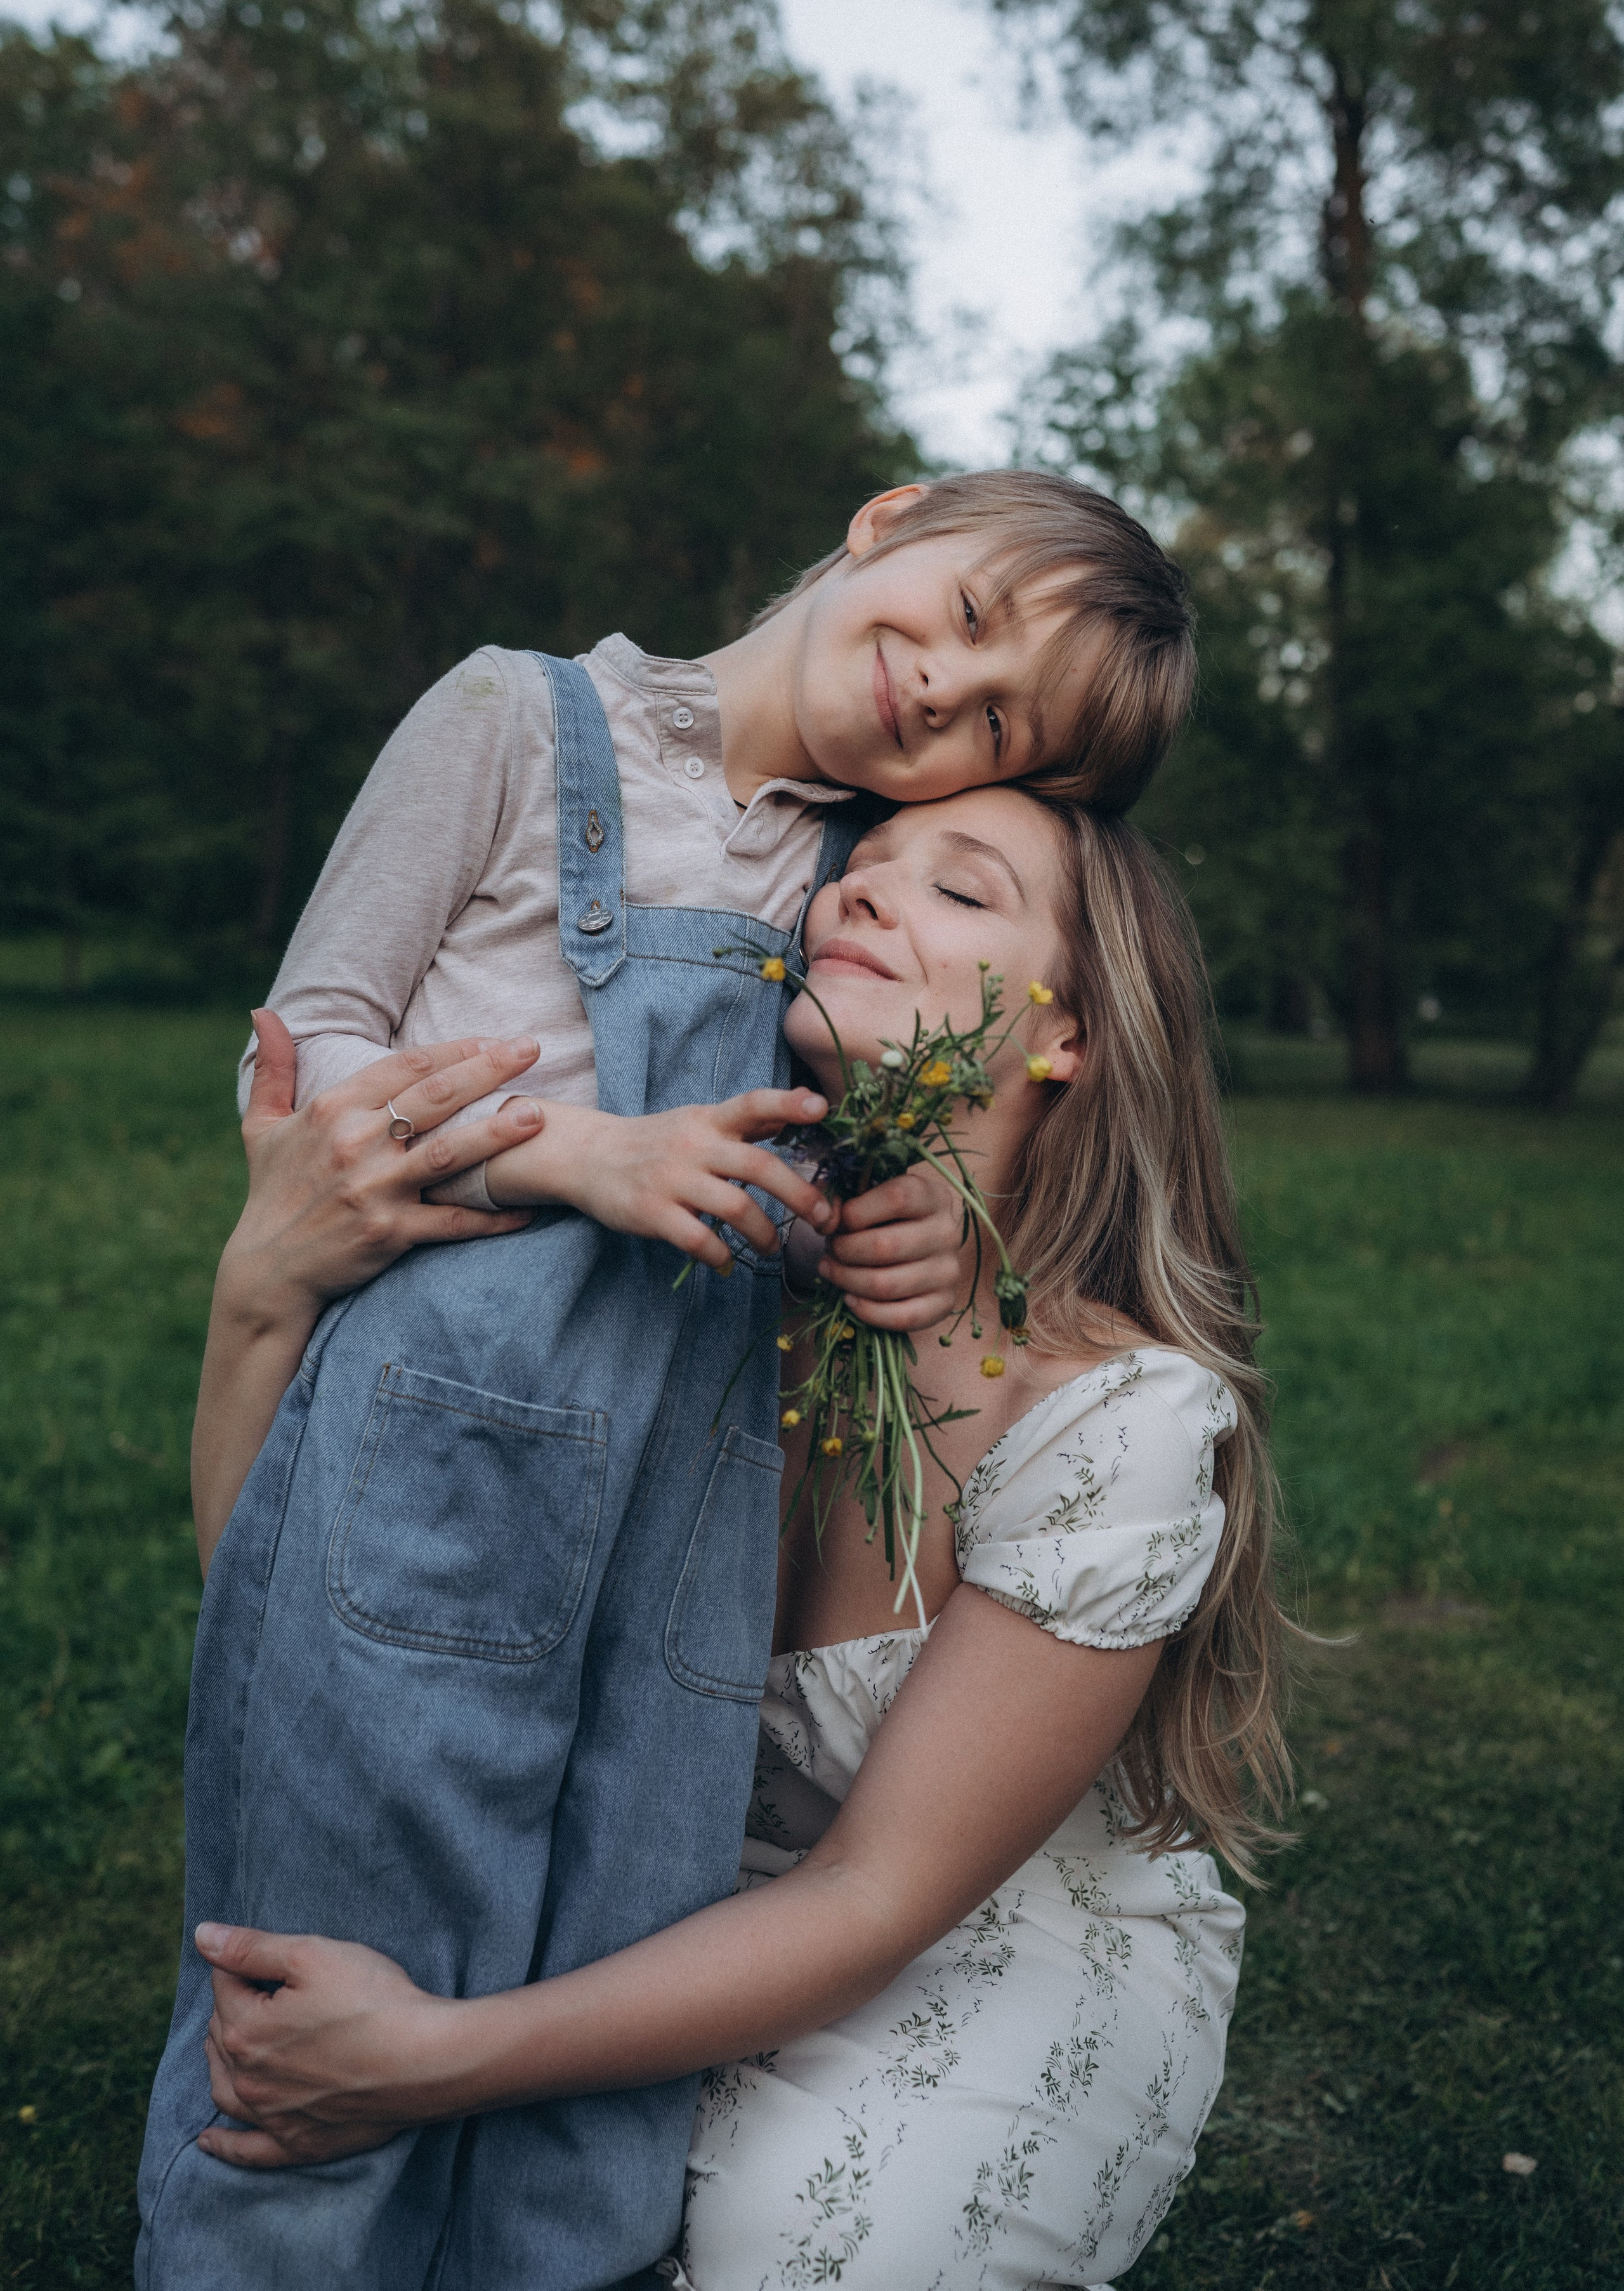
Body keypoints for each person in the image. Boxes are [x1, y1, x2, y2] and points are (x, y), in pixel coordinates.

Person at [138, 469, 1202, 2290]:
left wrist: (945, 1231)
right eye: (963, 620)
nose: (947, 695)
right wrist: (574, 1155)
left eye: (1003, 716)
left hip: (662, 1538)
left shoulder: (831, 867)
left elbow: (899, 1112)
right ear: (893, 518)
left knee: (591, 2137)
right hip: (444, 1440)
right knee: (317, 2023)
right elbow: (315, 1062)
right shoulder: (523, 724)